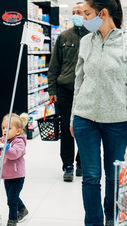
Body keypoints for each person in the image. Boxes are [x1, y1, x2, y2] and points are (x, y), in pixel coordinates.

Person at [70, 0, 127, 226]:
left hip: (117, 121)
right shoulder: (85, 42)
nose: (84, 18)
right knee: (91, 176)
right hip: (85, 118)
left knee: (113, 175)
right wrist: (72, 117)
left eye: (87, 13)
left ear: (102, 13)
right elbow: (79, 81)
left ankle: (111, 215)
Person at [48, 2, 89, 182]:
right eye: (73, 12)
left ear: (86, 14)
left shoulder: (93, 36)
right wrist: (52, 89)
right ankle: (68, 165)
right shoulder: (64, 37)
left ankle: (81, 161)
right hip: (65, 90)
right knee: (66, 129)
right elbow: (53, 66)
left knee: (84, 128)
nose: (75, 14)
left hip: (87, 91)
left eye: (78, 12)